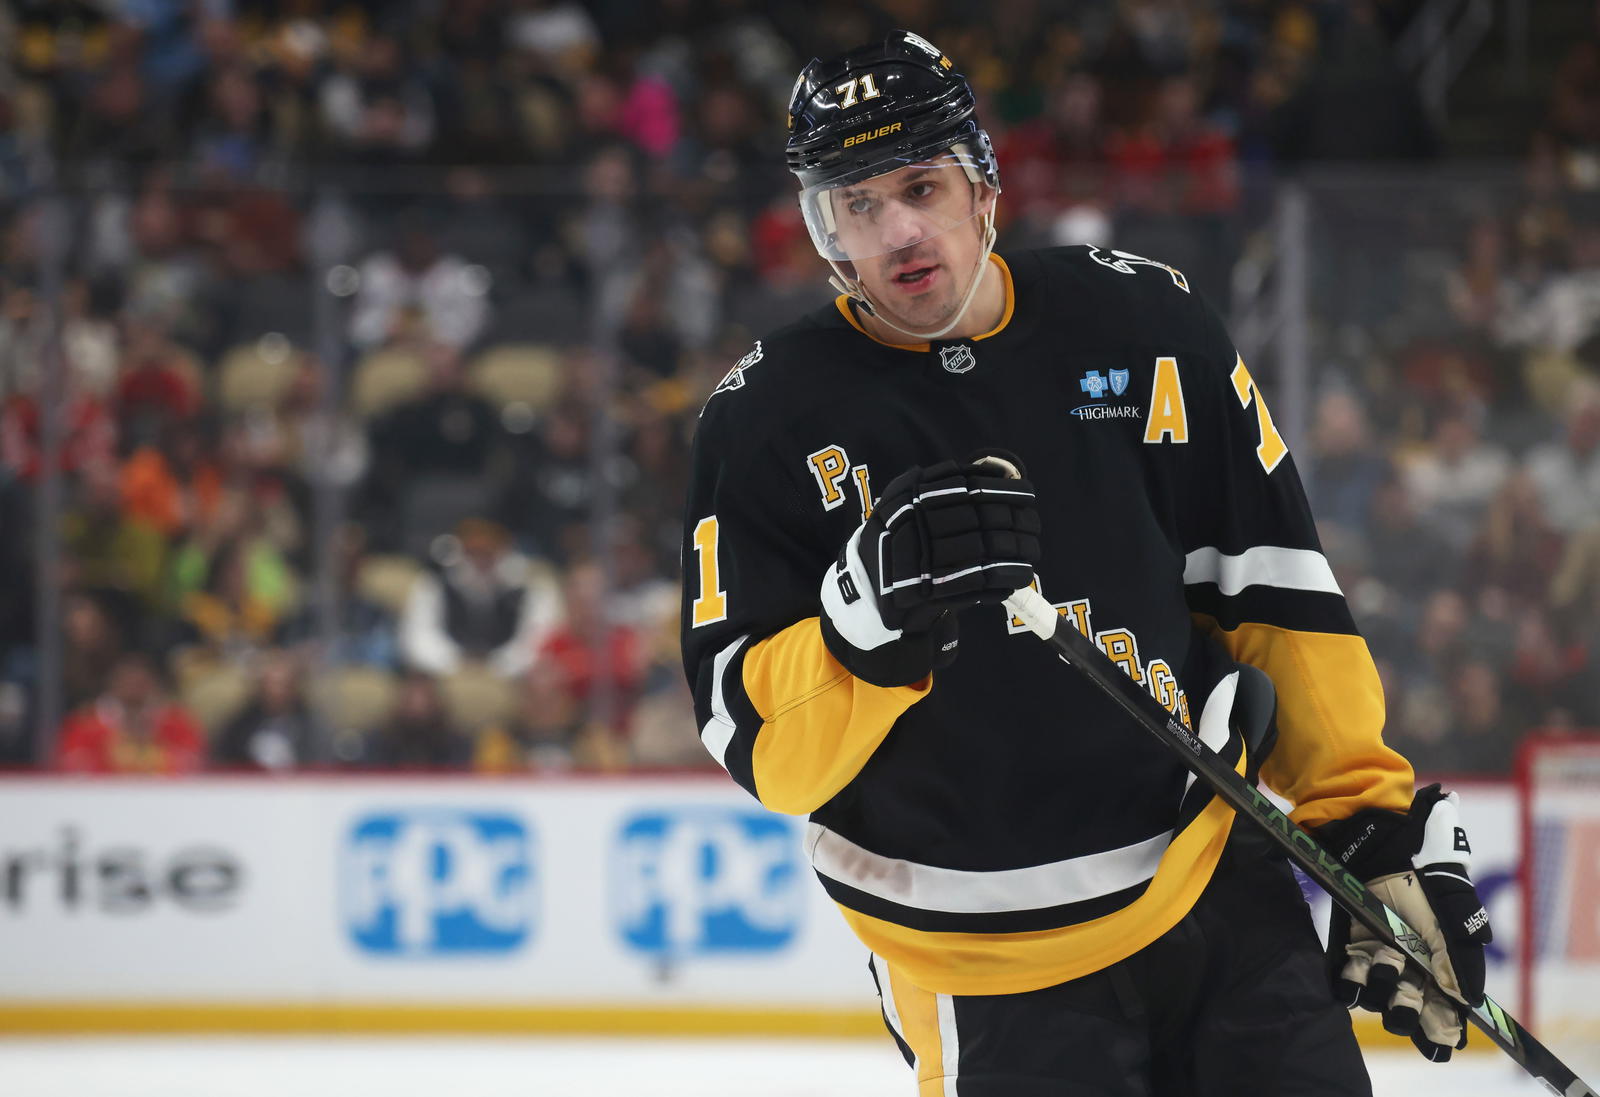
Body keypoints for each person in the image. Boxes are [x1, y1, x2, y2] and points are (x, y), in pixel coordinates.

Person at [679, 31, 1492, 1096]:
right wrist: (860, 629)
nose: (900, 231)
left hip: (1214, 887)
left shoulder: (1146, 323)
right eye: (856, 204)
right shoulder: (765, 421)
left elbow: (1268, 593)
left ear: (983, 182)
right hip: (977, 962)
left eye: (921, 183)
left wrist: (1366, 821)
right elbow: (759, 748)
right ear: (820, 230)